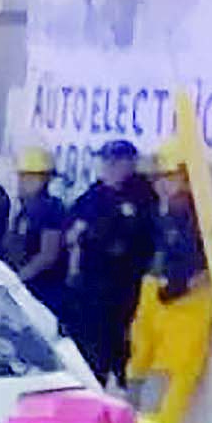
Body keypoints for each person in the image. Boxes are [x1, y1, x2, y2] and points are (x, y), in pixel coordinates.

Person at [126, 143, 212, 423]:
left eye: (168, 177)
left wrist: (179, 285)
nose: (160, 184)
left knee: (170, 374)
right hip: (159, 295)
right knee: (141, 364)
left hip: (185, 306)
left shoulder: (198, 217)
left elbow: (206, 266)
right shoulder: (168, 213)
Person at [65, 138, 160, 381]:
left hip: (126, 282)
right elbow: (73, 233)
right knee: (92, 343)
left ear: (129, 164)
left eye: (116, 162)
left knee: (122, 344)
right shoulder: (94, 195)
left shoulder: (142, 195)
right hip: (93, 282)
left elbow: (141, 235)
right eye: (107, 161)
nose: (110, 167)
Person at [3, 144, 73, 319]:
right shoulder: (25, 209)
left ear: (41, 179)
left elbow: (48, 255)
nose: (21, 182)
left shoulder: (51, 209)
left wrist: (17, 280)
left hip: (43, 292)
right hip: (25, 290)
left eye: (26, 177)